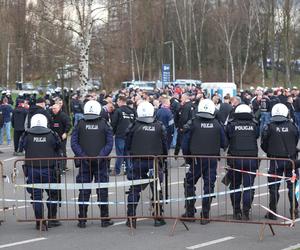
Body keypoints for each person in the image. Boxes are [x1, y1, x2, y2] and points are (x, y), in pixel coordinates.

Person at [181, 99, 226, 224]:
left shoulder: (193, 123)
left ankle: (190, 212)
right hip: (212, 160)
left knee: (189, 183)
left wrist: (187, 158)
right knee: (209, 186)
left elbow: (185, 144)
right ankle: (205, 215)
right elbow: (224, 143)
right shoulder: (217, 124)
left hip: (196, 159)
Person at [71, 100, 114, 228]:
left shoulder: (80, 124)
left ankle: (82, 220)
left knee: (84, 190)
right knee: (102, 190)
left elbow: (74, 144)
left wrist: (83, 156)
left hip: (85, 162)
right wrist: (100, 156)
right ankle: (104, 219)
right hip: (99, 162)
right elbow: (109, 143)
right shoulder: (104, 124)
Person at [125, 101, 168, 228]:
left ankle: (131, 218)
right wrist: (164, 158)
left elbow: (128, 144)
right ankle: (158, 217)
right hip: (154, 163)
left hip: (137, 162)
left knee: (134, 189)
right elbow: (164, 145)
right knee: (156, 189)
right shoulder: (159, 126)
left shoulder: (133, 126)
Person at [18, 114, 62, 231]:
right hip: (49, 168)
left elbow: (20, 147)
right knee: (52, 194)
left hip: (32, 169)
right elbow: (58, 146)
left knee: (36, 196)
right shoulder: (52, 134)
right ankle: (52, 218)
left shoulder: (26, 135)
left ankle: (40, 222)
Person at [261, 103, 299, 220]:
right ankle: (294, 210)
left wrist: (270, 152)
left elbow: (263, 144)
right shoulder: (293, 126)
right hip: (291, 160)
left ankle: (272, 212)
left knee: (273, 187)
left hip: (275, 160)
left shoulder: (269, 127)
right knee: (292, 186)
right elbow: (296, 139)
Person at [225, 104, 259, 220]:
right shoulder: (254, 125)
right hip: (251, 160)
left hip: (235, 160)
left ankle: (236, 211)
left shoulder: (231, 125)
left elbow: (227, 138)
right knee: (248, 186)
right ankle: (246, 210)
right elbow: (257, 135)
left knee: (235, 185)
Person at [111, 95, 135, 175]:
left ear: (121, 101)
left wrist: (113, 133)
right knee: (127, 153)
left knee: (120, 154)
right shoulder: (132, 111)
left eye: (118, 101)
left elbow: (114, 123)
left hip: (120, 135)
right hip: (129, 135)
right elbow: (135, 123)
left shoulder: (118, 111)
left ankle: (117, 171)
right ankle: (129, 170)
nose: (117, 103)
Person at [50, 103, 71, 171]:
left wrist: (65, 132)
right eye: (52, 108)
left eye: (55, 108)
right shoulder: (51, 116)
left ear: (59, 108)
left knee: (62, 152)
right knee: (54, 152)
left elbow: (68, 124)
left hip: (61, 136)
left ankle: (63, 167)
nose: (53, 110)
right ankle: (56, 166)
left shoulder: (63, 116)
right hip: (53, 137)